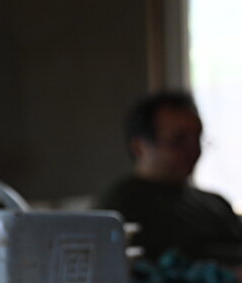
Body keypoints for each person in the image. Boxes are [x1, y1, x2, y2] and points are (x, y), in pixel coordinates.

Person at [98, 90, 242, 271]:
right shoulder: (121, 205)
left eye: (197, 138)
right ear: (140, 147)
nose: (194, 150)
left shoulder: (215, 202)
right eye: (178, 141)